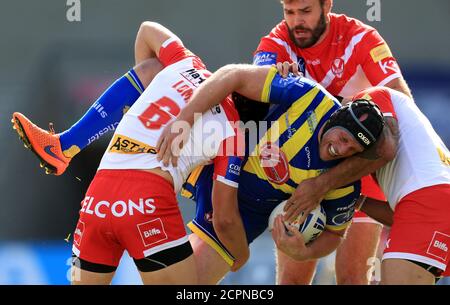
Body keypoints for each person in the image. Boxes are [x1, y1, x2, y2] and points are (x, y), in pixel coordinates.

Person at [14, 22, 249, 284]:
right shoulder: (235, 130)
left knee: (151, 68)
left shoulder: (186, 63)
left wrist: (147, 94)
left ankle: (67, 144)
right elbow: (225, 218)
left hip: (98, 195)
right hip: (147, 200)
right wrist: (240, 255)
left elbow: (147, 30)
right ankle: (65, 145)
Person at [156, 63, 392, 284]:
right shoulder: (311, 98)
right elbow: (233, 75)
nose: (341, 149)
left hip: (246, 215)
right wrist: (185, 119)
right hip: (219, 161)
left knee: (184, 284)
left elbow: (334, 235)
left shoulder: (346, 182)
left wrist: (304, 252)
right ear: (334, 119)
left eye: (352, 149)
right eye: (342, 138)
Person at [251, 0, 413, 284]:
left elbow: (401, 112)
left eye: (305, 12)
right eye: (289, 13)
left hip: (362, 173)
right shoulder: (276, 41)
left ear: (327, 6)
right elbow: (252, 99)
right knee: (292, 281)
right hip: (301, 172)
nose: (297, 22)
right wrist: (276, 84)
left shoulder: (362, 39)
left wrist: (325, 184)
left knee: (352, 278)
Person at [276, 86, 450, 284]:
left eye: (345, 139)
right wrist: (355, 201)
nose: (343, 148)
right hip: (435, 207)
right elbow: (401, 217)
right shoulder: (387, 160)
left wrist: (320, 185)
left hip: (429, 202)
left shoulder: (369, 100)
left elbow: (388, 148)